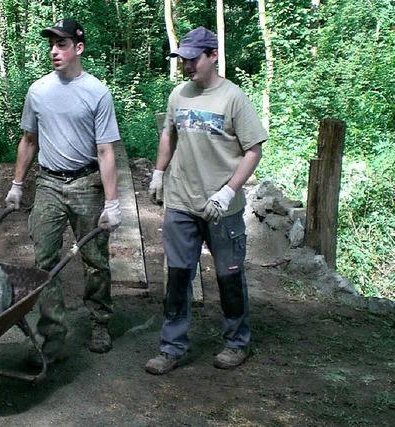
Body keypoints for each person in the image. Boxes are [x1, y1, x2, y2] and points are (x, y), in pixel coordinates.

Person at [145, 27, 267, 374]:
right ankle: (171, 347)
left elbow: (253, 150)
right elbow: (169, 134)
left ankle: (236, 343)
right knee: (178, 275)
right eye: (182, 60)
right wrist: (158, 172)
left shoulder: (233, 98)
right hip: (181, 200)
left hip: (221, 207)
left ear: (212, 55)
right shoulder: (179, 95)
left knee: (229, 276)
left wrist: (229, 190)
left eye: (192, 59)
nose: (186, 66)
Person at [5, 18, 122, 365]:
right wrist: (16, 185)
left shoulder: (97, 92)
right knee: (44, 262)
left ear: (78, 48)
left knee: (95, 259)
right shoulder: (38, 91)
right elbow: (28, 140)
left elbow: (106, 151)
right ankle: (53, 333)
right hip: (49, 184)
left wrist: (112, 203)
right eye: (52, 45)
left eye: (62, 45)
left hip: (87, 184)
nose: (54, 51)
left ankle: (100, 322)